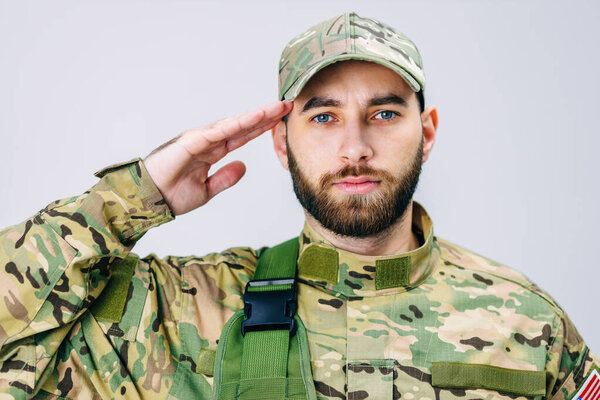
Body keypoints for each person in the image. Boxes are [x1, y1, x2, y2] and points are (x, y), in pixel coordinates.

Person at [0, 11, 598, 400]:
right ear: (281, 142)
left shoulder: (526, 321)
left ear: (429, 131)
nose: (355, 147)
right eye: (323, 116)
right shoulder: (184, 312)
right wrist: (136, 194)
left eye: (385, 113)